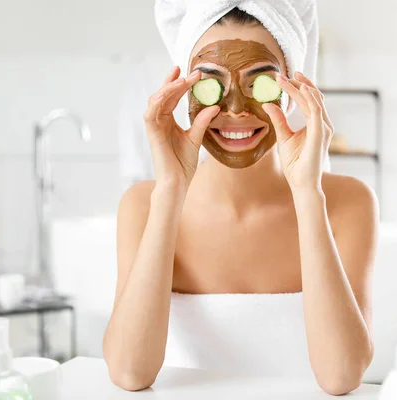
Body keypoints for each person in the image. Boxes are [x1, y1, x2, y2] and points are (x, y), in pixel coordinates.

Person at [103, 2, 377, 395]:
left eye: (260, 83)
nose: (235, 110)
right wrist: (170, 191)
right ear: (183, 91)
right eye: (210, 83)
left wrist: (307, 192)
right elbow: (130, 373)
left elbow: (341, 377)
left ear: (295, 91)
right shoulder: (142, 205)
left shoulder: (349, 203)